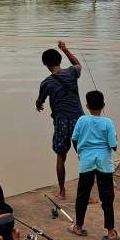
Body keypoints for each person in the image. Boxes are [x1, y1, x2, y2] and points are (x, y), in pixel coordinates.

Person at [35, 41, 86, 200]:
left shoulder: (46, 83)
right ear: (60, 60)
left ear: (45, 64)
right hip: (79, 120)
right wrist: (65, 49)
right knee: (83, 156)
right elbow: (78, 64)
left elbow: (40, 101)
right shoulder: (72, 73)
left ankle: (62, 191)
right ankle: (87, 193)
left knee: (61, 157)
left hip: (61, 122)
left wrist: (39, 105)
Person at [69, 90, 120, 240]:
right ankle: (110, 231)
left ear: (87, 105)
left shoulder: (82, 120)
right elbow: (114, 146)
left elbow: (74, 139)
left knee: (82, 195)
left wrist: (80, 153)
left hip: (86, 162)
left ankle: (78, 226)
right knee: (107, 197)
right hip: (104, 163)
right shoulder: (108, 123)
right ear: (103, 105)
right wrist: (115, 139)